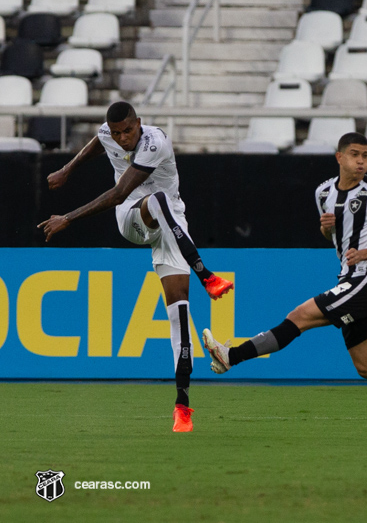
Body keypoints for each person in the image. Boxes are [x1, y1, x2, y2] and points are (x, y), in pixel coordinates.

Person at [201, 132, 367, 440]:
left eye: (366, 155)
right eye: (355, 155)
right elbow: (334, 238)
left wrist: (364, 253)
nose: (361, 161)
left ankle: (231, 356)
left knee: (299, 317)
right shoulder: (323, 192)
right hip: (349, 280)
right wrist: (326, 231)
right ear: (340, 157)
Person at [38, 101, 234, 433]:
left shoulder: (155, 143)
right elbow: (105, 160)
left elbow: (115, 190)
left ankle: (182, 407)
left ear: (139, 123)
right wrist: (69, 168)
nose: (123, 138)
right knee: (155, 200)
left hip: (171, 222)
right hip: (132, 217)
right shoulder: (108, 134)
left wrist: (67, 217)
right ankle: (208, 276)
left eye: (128, 130)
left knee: (179, 315)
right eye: (117, 133)